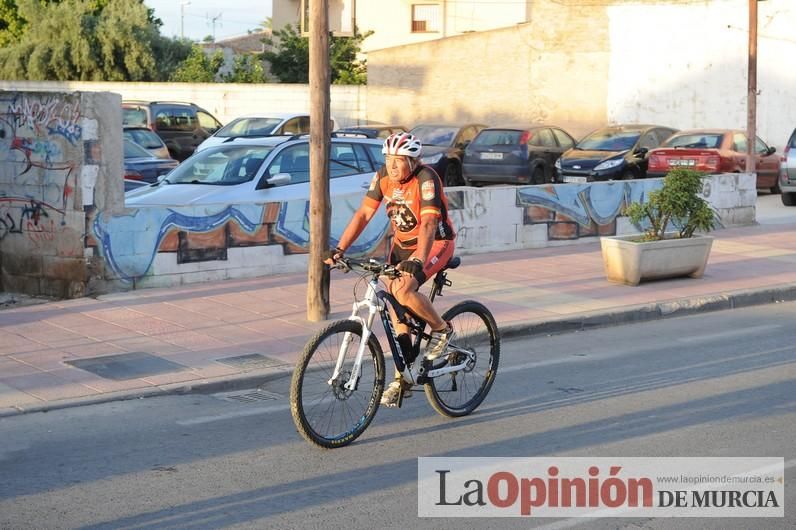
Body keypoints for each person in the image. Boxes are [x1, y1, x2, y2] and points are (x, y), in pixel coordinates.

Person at [325, 132, 457, 407]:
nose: (392, 165)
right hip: (401, 246)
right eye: (388, 159)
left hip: (435, 243)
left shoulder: (426, 178)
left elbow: (430, 225)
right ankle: (403, 375)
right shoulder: (383, 176)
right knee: (393, 301)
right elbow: (363, 214)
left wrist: (419, 259)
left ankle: (442, 330)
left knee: (406, 288)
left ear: (413, 160)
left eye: (398, 160)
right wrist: (340, 249)